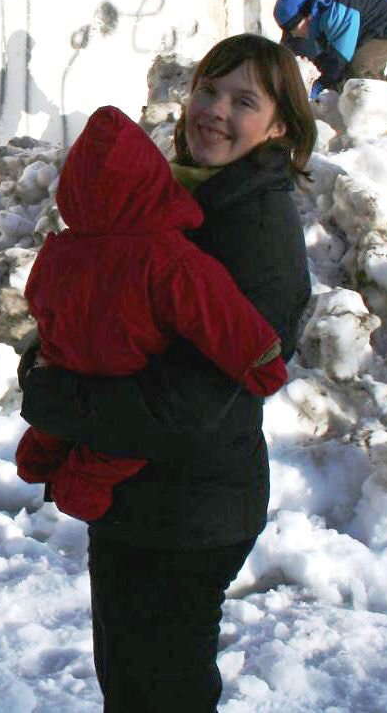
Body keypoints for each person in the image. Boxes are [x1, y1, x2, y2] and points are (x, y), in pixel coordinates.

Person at [19, 33, 316, 713]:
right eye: (208, 90)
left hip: (188, 509)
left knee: (160, 695)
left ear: (279, 126)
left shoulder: (255, 231)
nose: (213, 110)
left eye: (243, 100)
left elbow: (189, 403)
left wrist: (51, 394)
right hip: (142, 502)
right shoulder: (169, 203)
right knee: (131, 683)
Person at [15, 104, 286, 523]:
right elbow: (219, 314)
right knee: (112, 450)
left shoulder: (63, 249)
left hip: (65, 367)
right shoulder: (168, 257)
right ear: (151, 183)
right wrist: (262, 359)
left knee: (57, 424)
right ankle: (80, 486)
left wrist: (49, 352)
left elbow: (38, 299)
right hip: (125, 376)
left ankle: (41, 450)